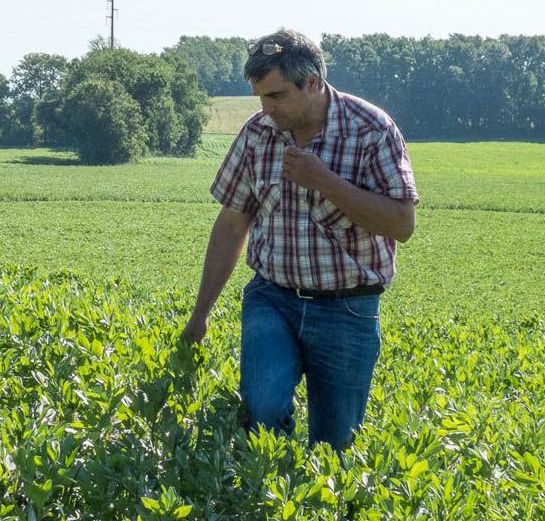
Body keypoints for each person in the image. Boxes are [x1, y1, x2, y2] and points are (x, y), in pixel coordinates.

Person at [180, 29, 419, 451]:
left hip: (348, 307)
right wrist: (200, 314)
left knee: (335, 446)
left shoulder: (371, 130)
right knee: (262, 409)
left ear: (312, 83)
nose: (266, 108)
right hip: (272, 298)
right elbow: (232, 223)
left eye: (276, 96)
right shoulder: (258, 134)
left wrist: (325, 182)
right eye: (260, 97)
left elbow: (402, 222)